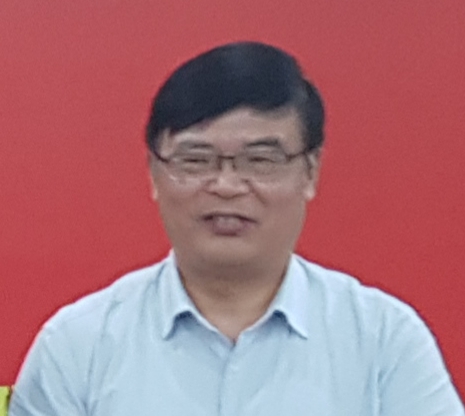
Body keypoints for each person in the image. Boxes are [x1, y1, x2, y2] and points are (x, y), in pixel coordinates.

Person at [9, 41, 464, 416]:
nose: (226, 186)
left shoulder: (383, 340)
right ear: (153, 173)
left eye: (260, 160)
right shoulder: (78, 346)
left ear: (310, 172)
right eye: (196, 160)